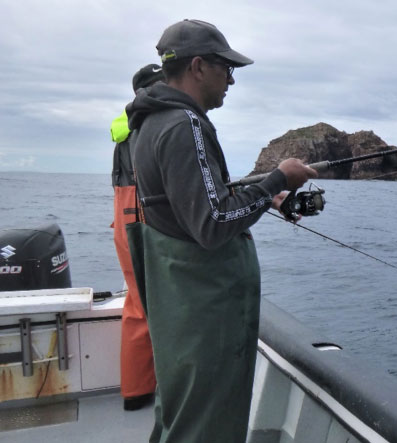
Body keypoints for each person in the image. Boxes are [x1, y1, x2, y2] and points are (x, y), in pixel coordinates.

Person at [125, 19, 317, 442]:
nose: (230, 79)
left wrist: (265, 196)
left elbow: (192, 200)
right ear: (197, 67)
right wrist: (277, 180)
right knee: (205, 426)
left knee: (183, 416)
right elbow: (212, 223)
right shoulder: (184, 125)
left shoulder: (150, 122)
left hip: (182, 309)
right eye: (225, 68)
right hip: (203, 313)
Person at [110, 63, 164, 411]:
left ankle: (136, 390)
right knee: (156, 306)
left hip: (123, 216)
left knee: (136, 303)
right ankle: (155, 392)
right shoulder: (153, 120)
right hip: (142, 216)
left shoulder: (123, 124)